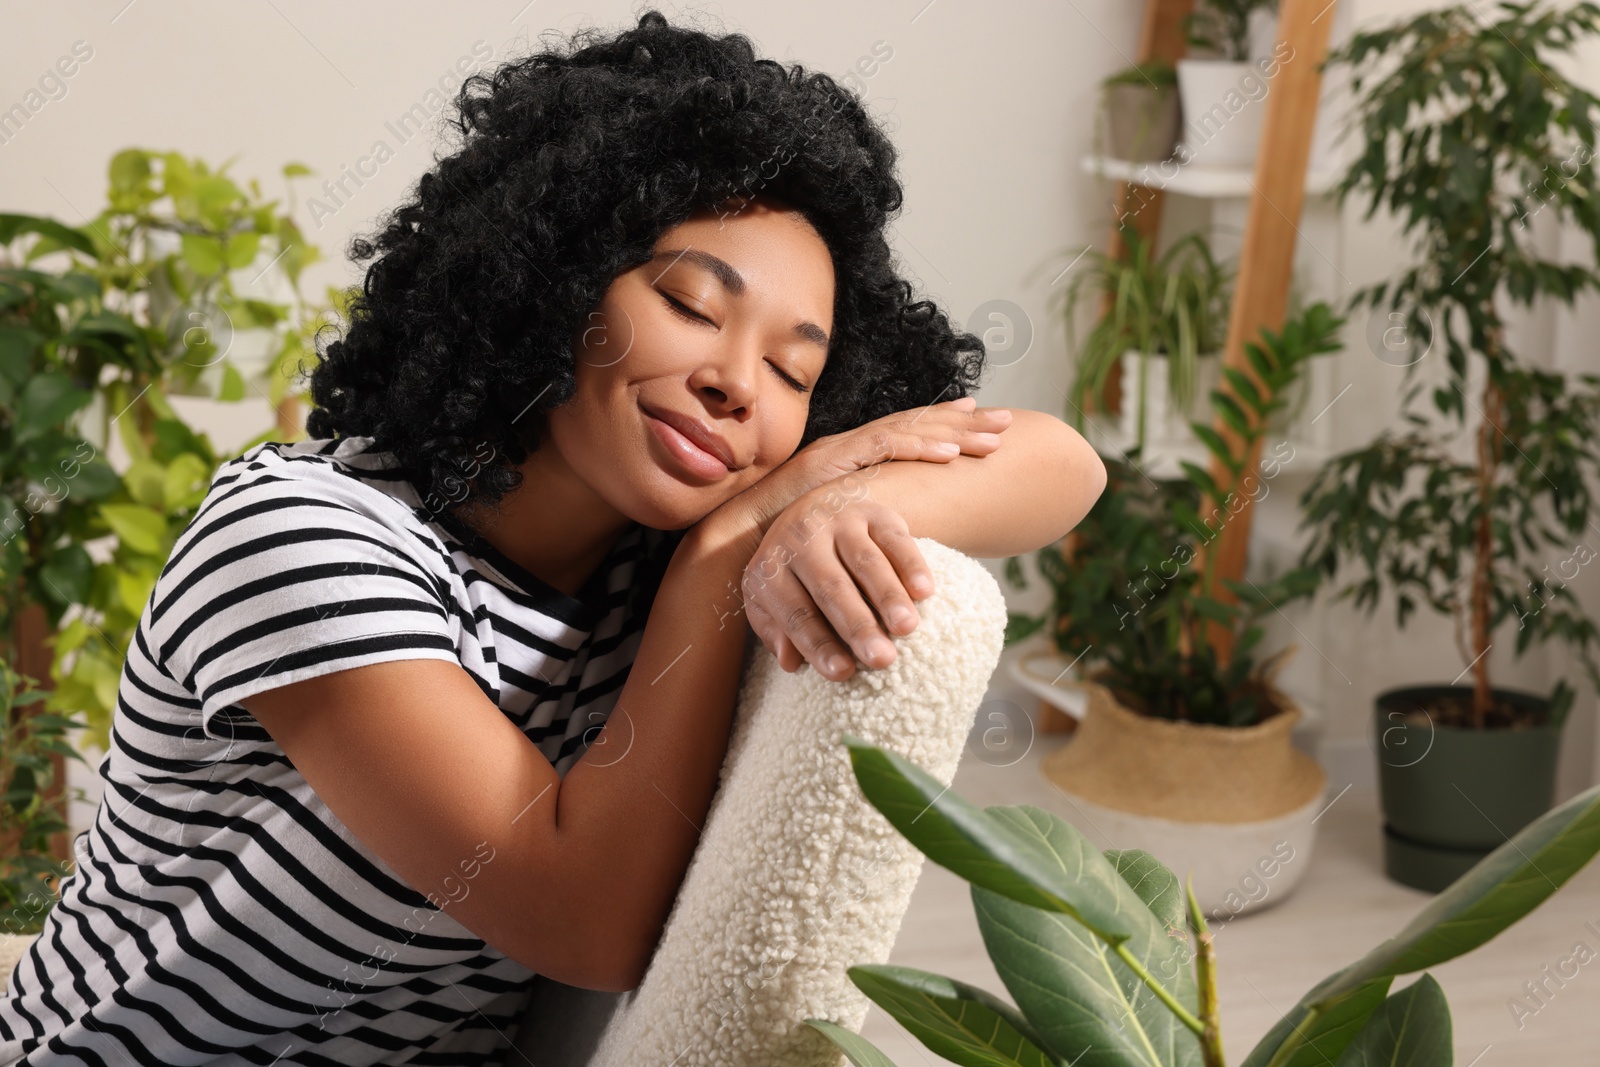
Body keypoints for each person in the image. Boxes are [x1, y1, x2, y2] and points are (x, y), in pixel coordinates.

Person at [0, 10, 1106, 1065]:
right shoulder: (300, 539)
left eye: (791, 372)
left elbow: (1063, 463)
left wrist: (823, 503)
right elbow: (584, 920)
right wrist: (727, 547)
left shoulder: (645, 549)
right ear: (552, 275)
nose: (734, 383)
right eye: (689, 303)